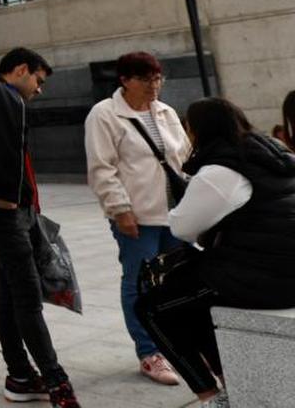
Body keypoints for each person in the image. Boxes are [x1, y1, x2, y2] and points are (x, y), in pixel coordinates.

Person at [135, 97, 295, 407]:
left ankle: (210, 394)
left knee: (152, 307)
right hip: (278, 267)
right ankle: (228, 376)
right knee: (191, 294)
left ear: (198, 130)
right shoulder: (273, 153)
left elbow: (182, 227)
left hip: (269, 278)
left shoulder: (221, 170)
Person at [0, 48, 82, 408]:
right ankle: (57, 383)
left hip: (0, 210)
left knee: (8, 289)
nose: (39, 90)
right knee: (26, 293)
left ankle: (20, 377)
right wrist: (6, 195)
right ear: (21, 69)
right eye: (38, 80)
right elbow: (1, 150)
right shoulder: (1, 94)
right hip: (5, 212)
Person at [83, 52, 188, 386]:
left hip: (175, 214)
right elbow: (102, 168)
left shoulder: (165, 112)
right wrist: (120, 210)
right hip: (136, 217)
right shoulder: (105, 114)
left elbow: (183, 157)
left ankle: (175, 343)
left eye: (157, 78)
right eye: (145, 79)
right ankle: (149, 352)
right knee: (140, 283)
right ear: (125, 80)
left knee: (176, 281)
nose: (153, 86)